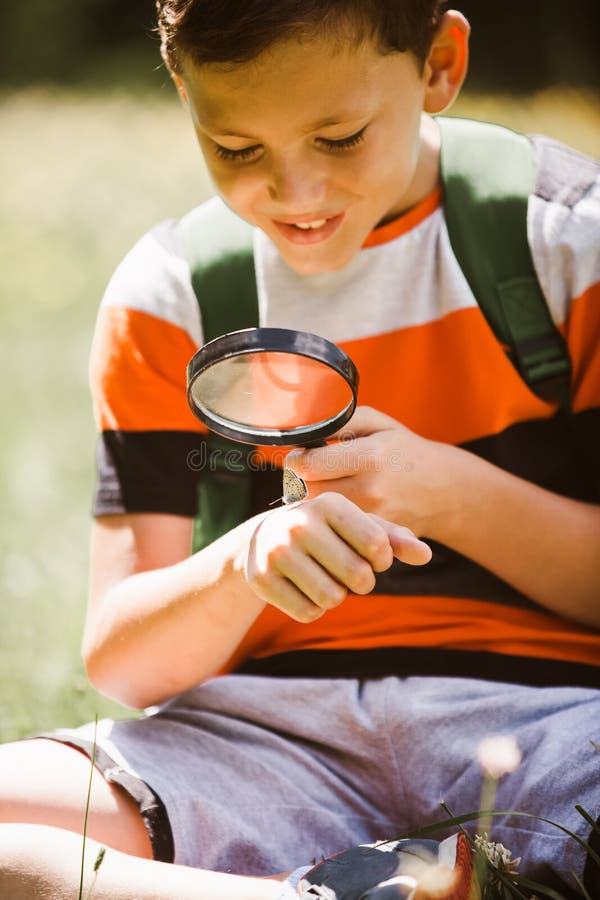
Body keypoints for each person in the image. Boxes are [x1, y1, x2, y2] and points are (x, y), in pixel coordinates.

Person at [1, 2, 599, 898]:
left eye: (341, 136)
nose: (295, 191)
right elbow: (125, 663)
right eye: (237, 149)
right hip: (264, 740)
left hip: (553, 718)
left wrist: (444, 492)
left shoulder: (565, 239)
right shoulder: (172, 297)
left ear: (439, 63)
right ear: (184, 90)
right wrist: (243, 563)